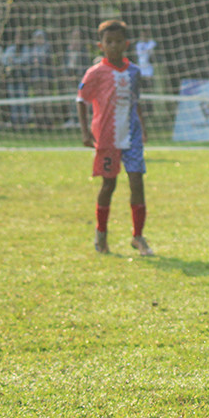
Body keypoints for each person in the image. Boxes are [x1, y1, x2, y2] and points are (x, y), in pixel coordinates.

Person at [77, 19, 154, 257]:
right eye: (108, 42)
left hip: (131, 135)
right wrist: (85, 132)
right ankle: (101, 235)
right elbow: (81, 100)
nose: (113, 46)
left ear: (126, 44)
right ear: (100, 45)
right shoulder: (95, 72)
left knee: (137, 182)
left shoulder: (134, 72)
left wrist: (143, 127)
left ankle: (138, 236)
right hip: (107, 137)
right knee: (108, 184)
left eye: (118, 41)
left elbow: (135, 101)